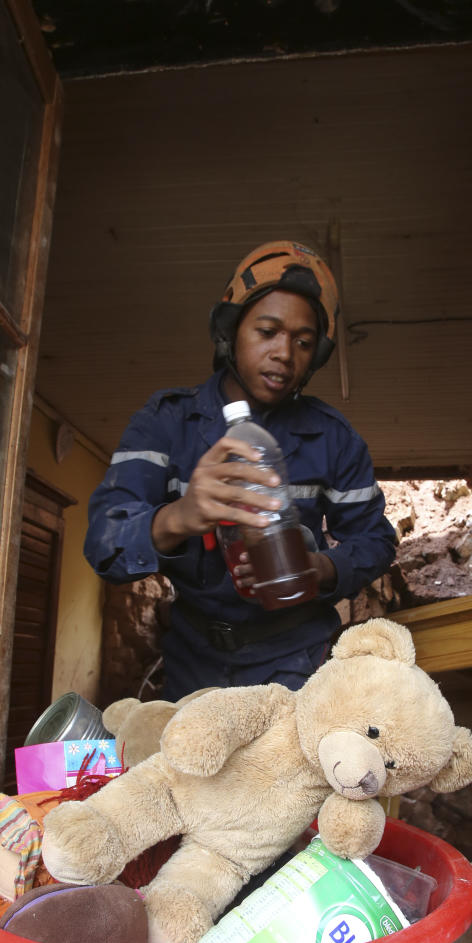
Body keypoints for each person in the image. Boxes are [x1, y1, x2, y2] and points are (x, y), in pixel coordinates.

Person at [84, 241, 396, 698]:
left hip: (298, 663)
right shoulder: (168, 422)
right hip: (193, 663)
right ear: (231, 331)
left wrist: (321, 568)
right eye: (267, 331)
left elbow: (376, 541)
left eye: (303, 342)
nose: (284, 354)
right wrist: (178, 516)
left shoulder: (333, 438)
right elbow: (102, 546)